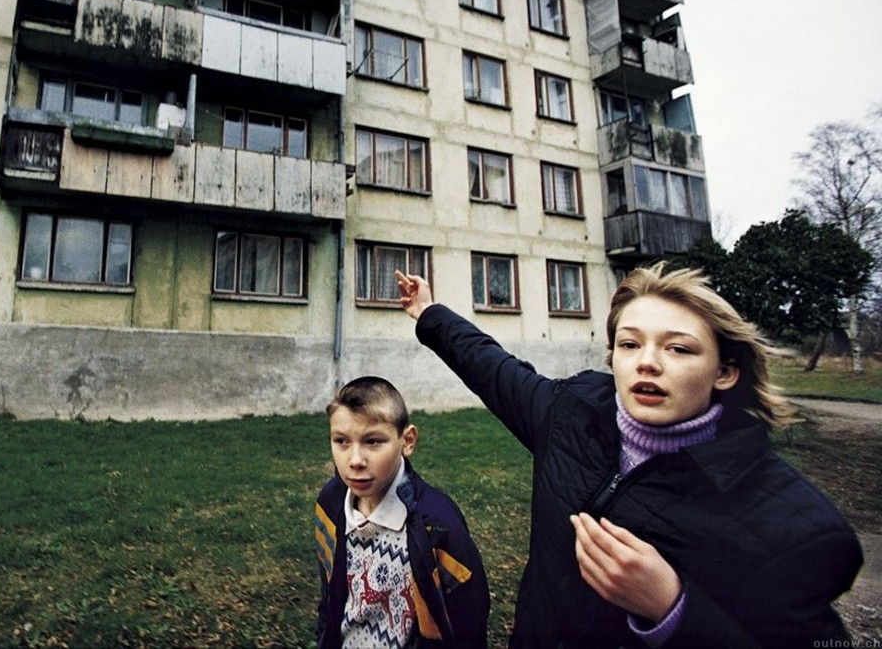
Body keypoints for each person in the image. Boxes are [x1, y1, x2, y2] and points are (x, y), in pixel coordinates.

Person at [395, 264, 862, 649]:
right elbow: (491, 365)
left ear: (725, 371)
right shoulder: (569, 413)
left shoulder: (790, 524)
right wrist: (428, 312)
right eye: (630, 344)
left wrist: (672, 609)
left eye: (678, 348)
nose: (647, 362)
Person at [315, 376, 490, 649]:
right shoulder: (330, 504)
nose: (355, 460)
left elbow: (469, 624)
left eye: (373, 441)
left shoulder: (438, 527)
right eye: (341, 441)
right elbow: (329, 597)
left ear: (407, 441)